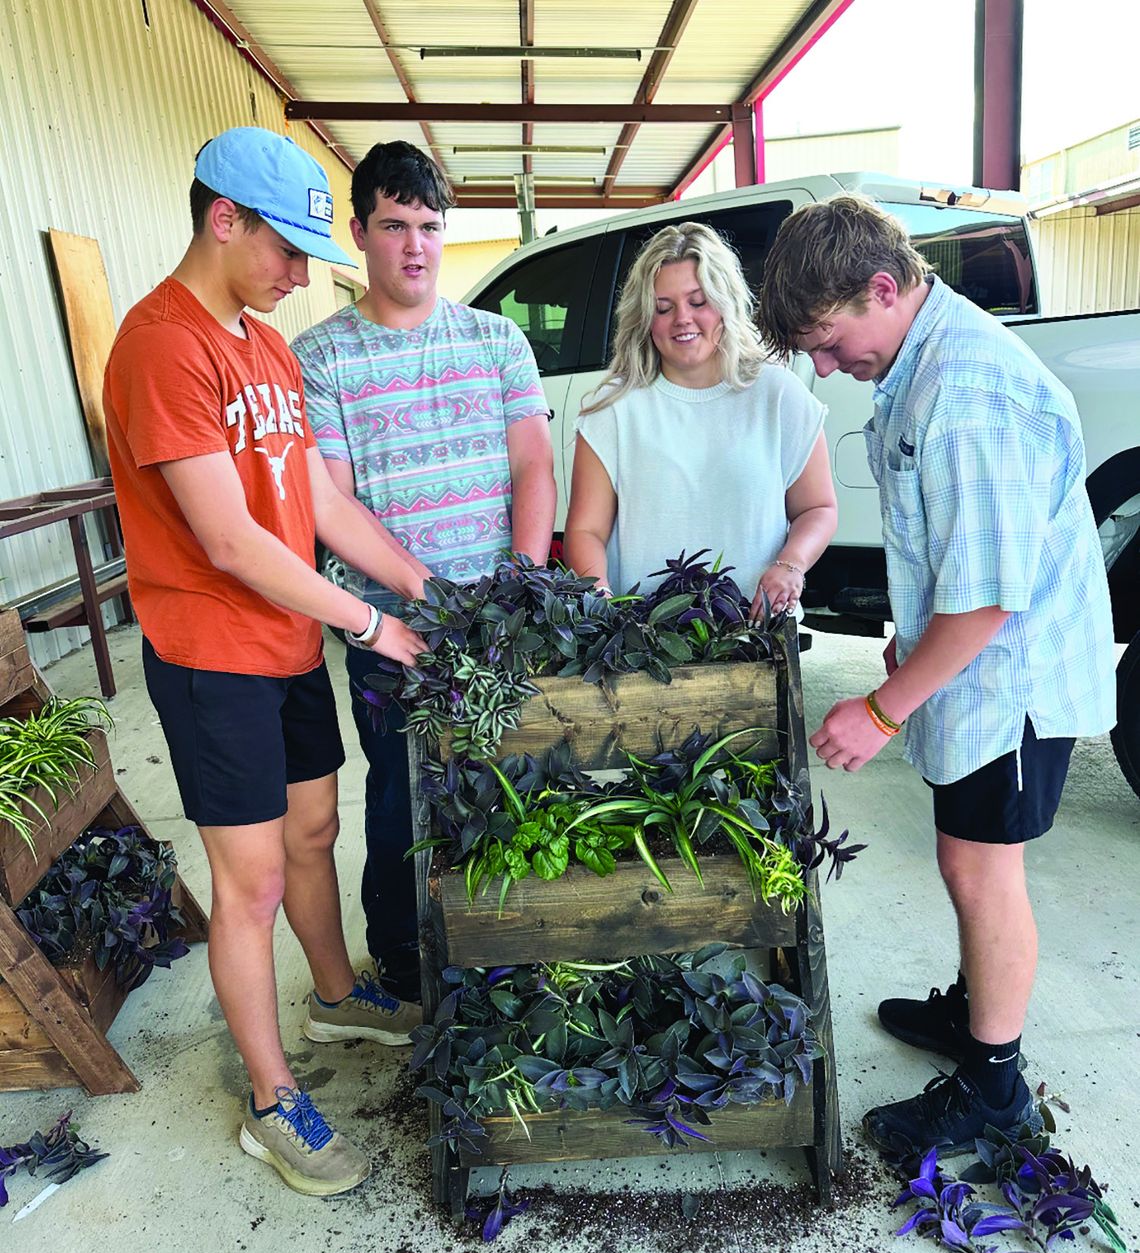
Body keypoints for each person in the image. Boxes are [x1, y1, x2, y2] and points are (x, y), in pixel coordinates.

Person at [103, 126, 433, 1197]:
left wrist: (425, 588)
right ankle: (269, 1094)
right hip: (213, 659)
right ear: (222, 219)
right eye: (286, 249)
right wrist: (371, 624)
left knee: (316, 830)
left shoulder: (265, 345)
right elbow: (230, 539)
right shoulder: (161, 345)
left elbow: (320, 503)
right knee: (244, 888)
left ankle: (336, 990)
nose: (300, 274)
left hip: (287, 645)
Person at [757, 195, 1116, 1157]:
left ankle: (996, 1088)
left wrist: (883, 707)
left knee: (981, 867)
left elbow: (990, 599)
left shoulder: (968, 392)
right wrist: (911, 652)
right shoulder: (923, 358)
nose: (828, 366)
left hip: (1012, 683)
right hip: (973, 669)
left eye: (830, 342)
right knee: (968, 860)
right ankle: (974, 1010)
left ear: (883, 286)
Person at [292, 141, 556, 1006]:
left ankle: (508, 942)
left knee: (503, 776)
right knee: (403, 790)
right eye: (394, 225)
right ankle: (404, 957)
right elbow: (334, 500)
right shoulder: (321, 356)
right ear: (361, 234)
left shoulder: (498, 341)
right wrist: (423, 595)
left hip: (496, 617)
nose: (415, 245)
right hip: (387, 628)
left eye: (430, 227)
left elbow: (534, 470)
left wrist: (520, 588)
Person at [563, 222, 836, 618]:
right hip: (643, 642)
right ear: (644, 317)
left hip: (759, 635)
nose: (682, 319)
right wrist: (602, 603)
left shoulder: (778, 394)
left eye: (698, 301)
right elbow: (586, 530)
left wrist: (791, 565)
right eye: (664, 307)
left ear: (725, 302)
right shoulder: (614, 409)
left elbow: (819, 508)